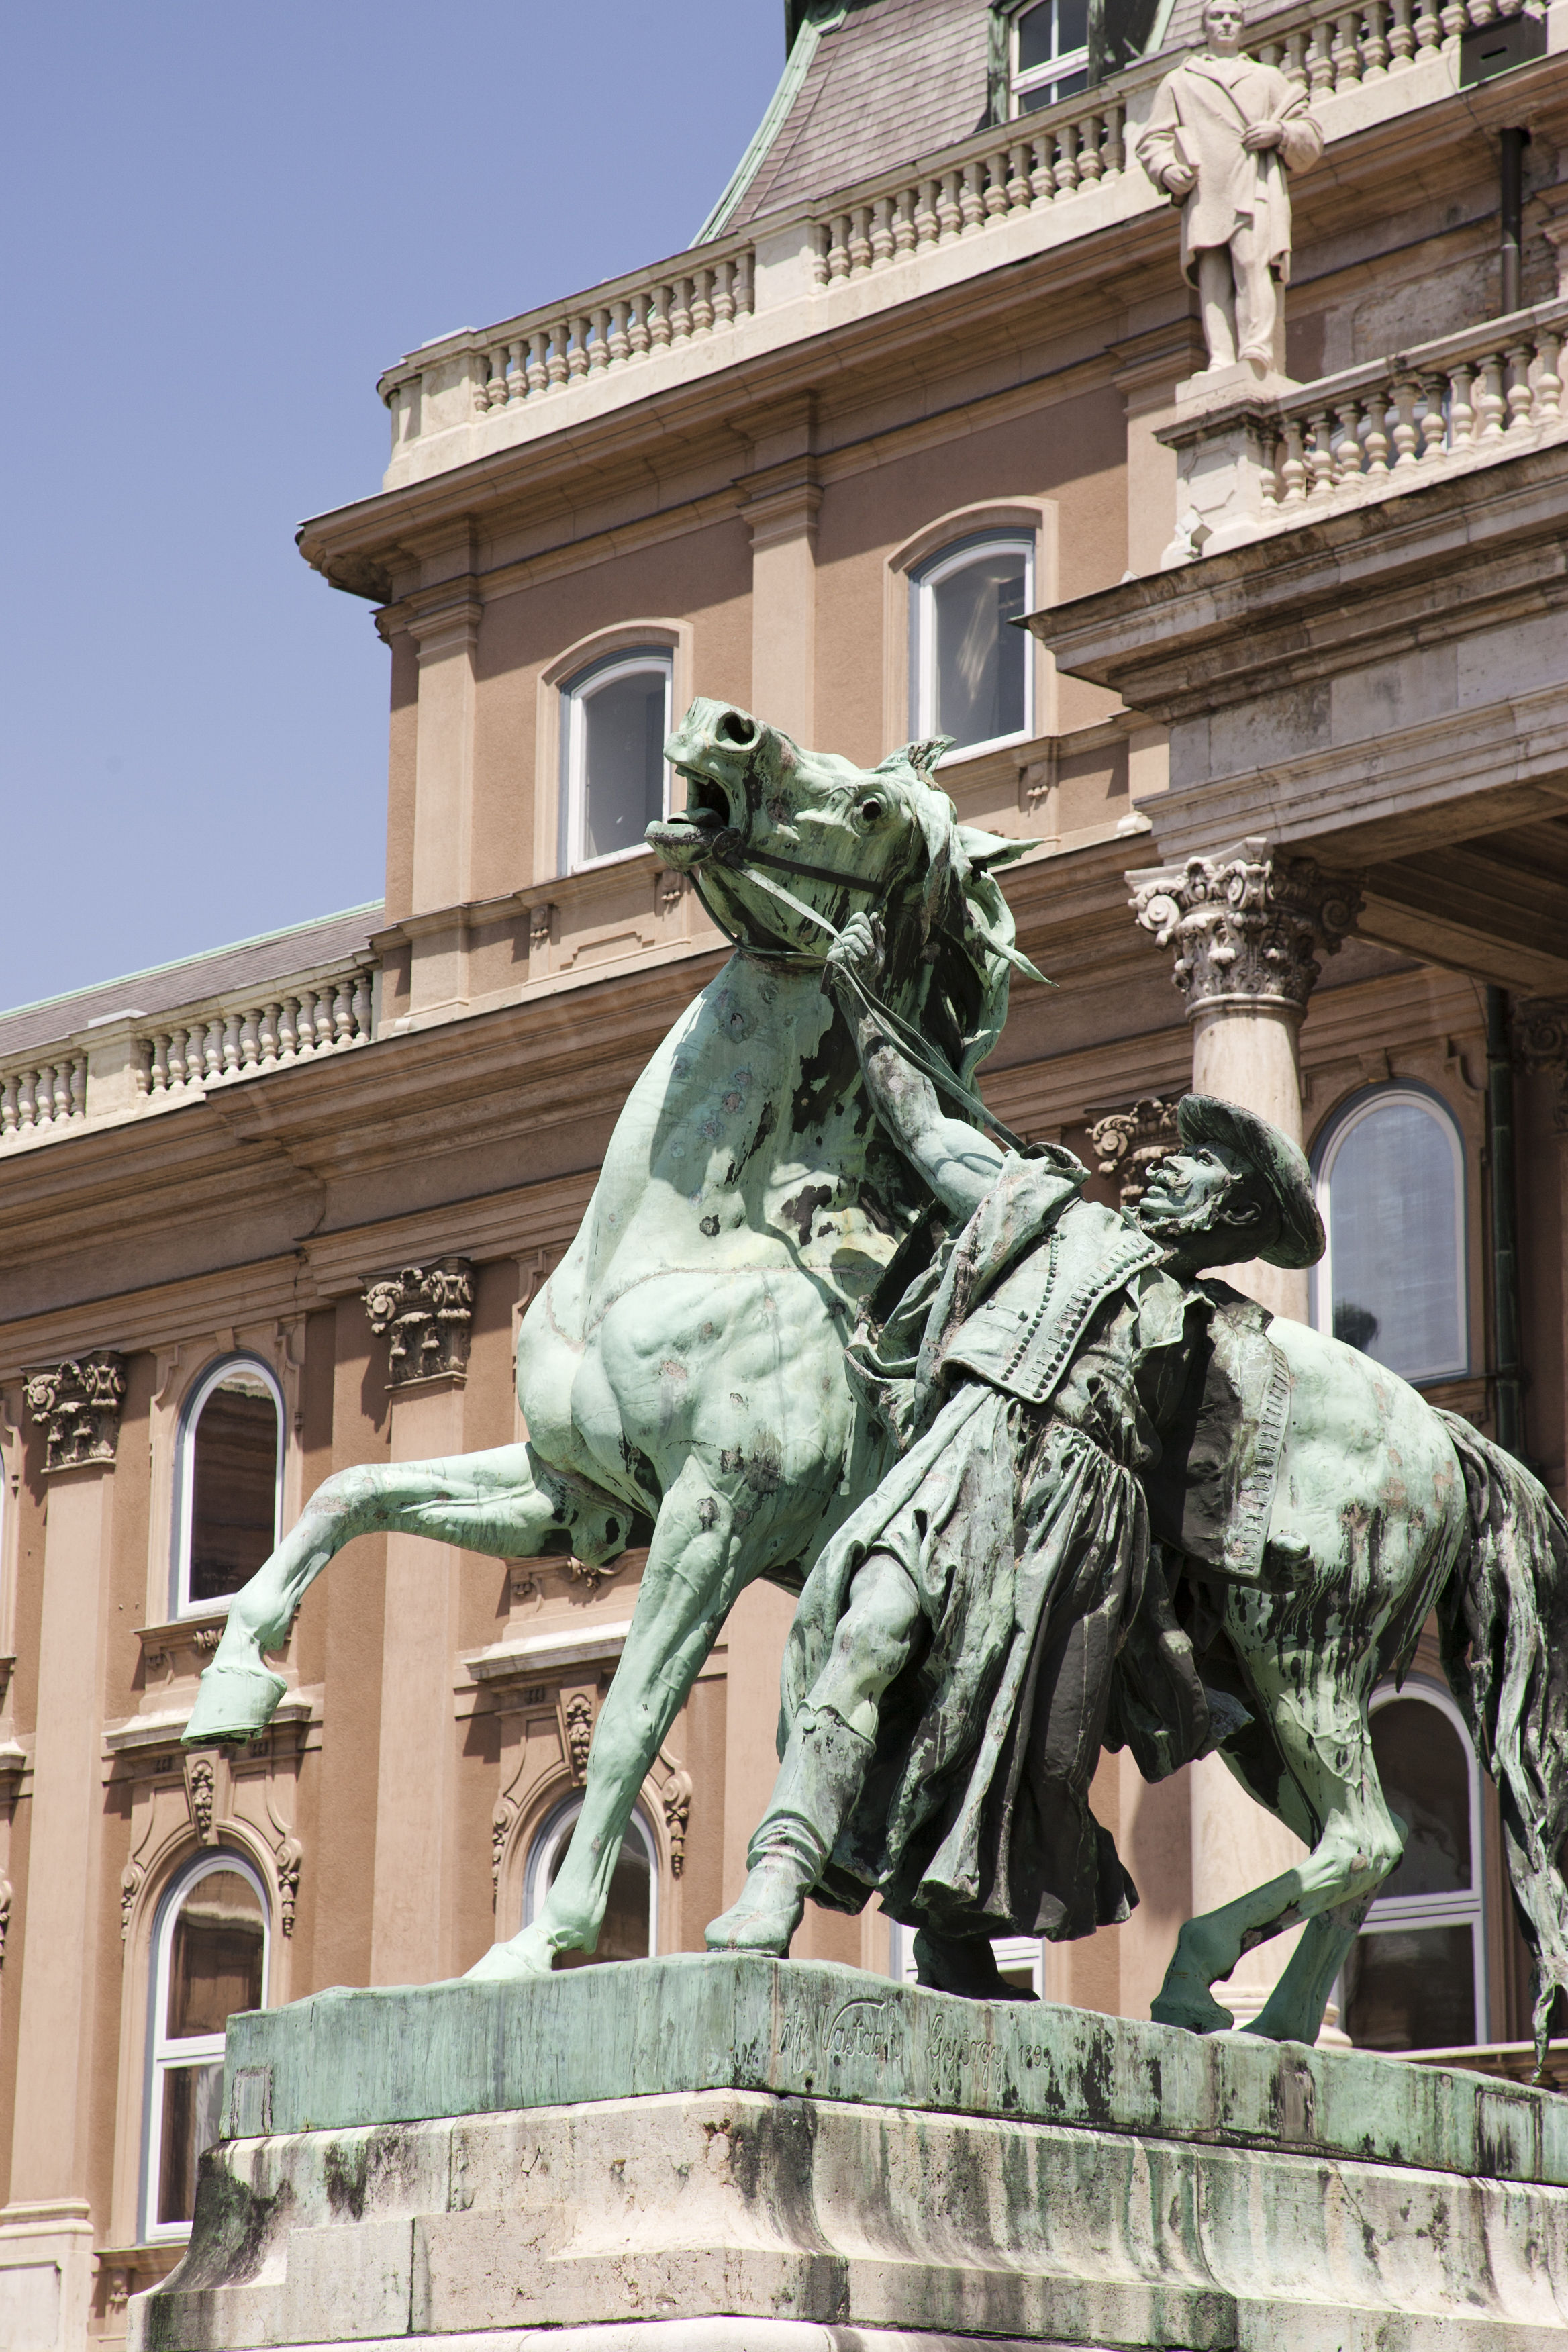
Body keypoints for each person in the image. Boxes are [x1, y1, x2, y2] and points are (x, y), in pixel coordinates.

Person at [706, 911, 1323, 1996]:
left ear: (1229, 1209)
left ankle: (953, 1936)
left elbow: (1218, 1507)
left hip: (1079, 1526)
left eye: (1194, 1168)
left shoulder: (1216, 1340)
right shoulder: (1052, 1212)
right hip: (967, 1450)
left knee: (1006, 1744)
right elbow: (929, 1134)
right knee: (868, 1633)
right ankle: (779, 1870)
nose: (1164, 1169)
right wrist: (859, 1002)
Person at [1135, 0, 1322, 377]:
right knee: (1214, 276)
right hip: (1207, 189)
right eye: (1217, 17)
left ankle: (1256, 345)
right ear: (1204, 26)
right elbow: (1152, 139)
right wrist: (1168, 169)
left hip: (1252, 182)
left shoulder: (1267, 79)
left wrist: (1280, 132)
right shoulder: (1181, 81)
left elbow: (1311, 137)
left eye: (1234, 18)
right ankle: (1221, 355)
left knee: (1253, 262)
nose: (1225, 24)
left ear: (1243, 27)